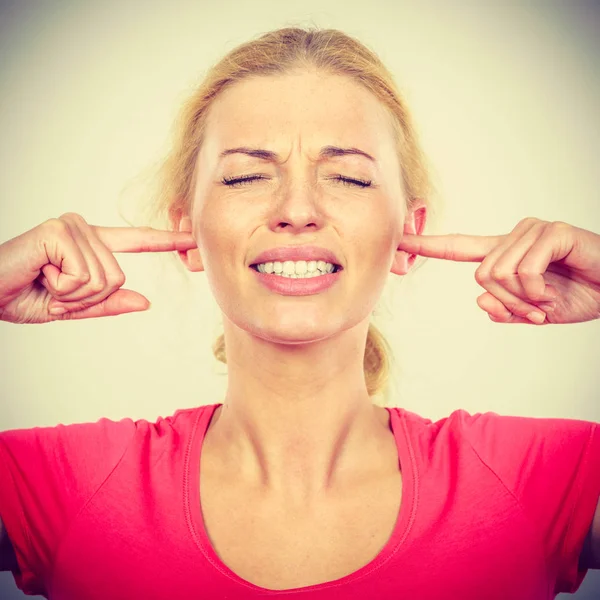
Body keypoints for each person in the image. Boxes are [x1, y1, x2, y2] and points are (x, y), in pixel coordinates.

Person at [0, 26, 599, 600]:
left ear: (407, 235)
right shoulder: (63, 483)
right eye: (246, 175)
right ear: (186, 232)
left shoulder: (533, 477)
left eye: (347, 177)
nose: (297, 208)